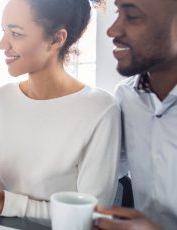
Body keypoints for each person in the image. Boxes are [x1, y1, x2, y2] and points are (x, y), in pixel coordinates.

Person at [0, 0, 120, 225]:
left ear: (56, 39)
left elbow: (92, 217)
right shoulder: (4, 98)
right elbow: (11, 190)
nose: (2, 44)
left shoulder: (100, 110)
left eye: (15, 33)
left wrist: (0, 201)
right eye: (4, 31)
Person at [93, 0, 177, 229]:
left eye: (131, 16)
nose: (112, 30)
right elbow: (109, 167)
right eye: (118, 12)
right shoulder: (125, 96)